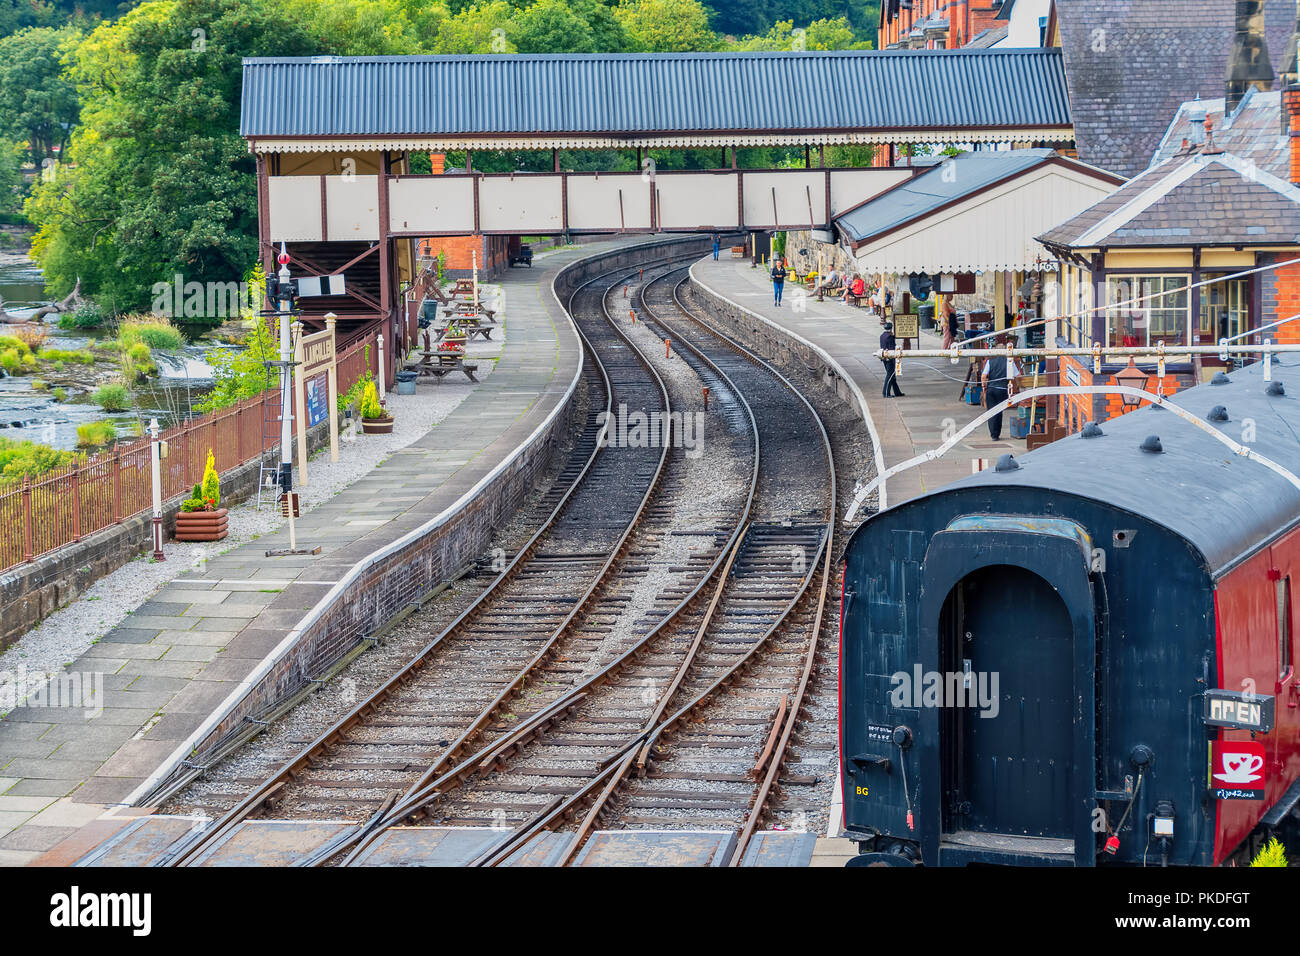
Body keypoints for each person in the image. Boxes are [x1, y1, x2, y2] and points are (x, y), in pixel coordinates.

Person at [980, 338, 1020, 440]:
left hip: (991, 389)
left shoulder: (990, 362)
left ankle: (993, 434)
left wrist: (984, 387)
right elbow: (1018, 376)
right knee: (999, 412)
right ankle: (997, 433)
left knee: (991, 411)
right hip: (1003, 390)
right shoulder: (1009, 362)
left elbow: (984, 376)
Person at [879, 321, 905, 398]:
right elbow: (891, 348)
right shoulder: (890, 337)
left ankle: (897, 392)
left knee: (892, 376)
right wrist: (895, 359)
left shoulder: (882, 336)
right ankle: (886, 392)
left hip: (884, 357)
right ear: (891, 328)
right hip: (890, 358)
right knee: (889, 376)